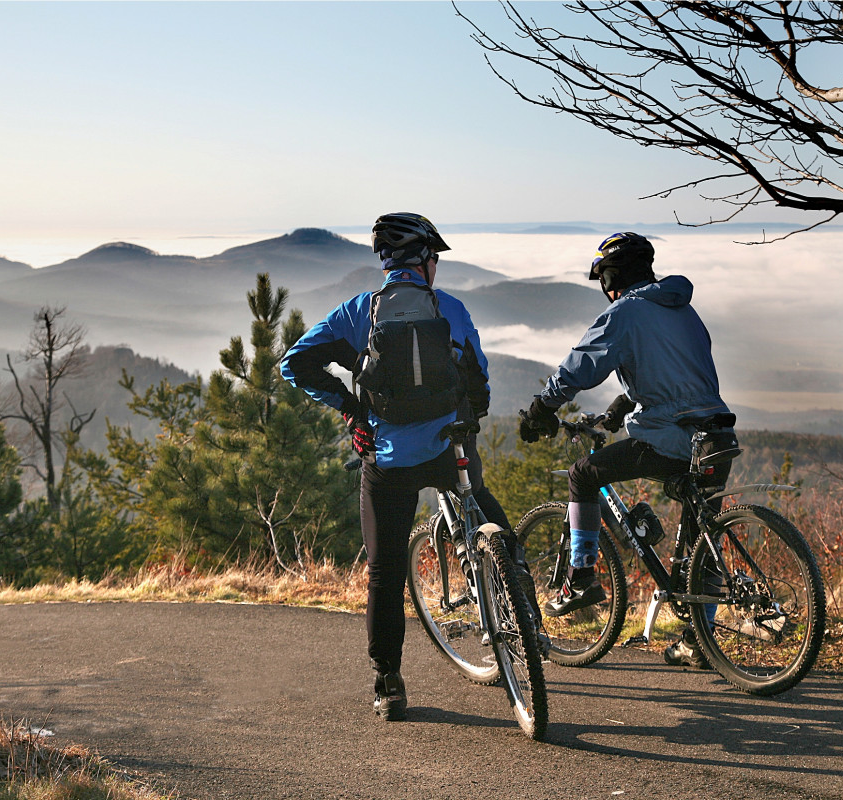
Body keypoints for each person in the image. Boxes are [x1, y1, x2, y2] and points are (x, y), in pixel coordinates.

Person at [281, 212, 523, 721]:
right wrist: (466, 421)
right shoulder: (451, 309)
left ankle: (388, 682)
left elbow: (294, 363)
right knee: (485, 512)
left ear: (388, 264)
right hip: (445, 452)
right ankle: (523, 607)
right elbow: (478, 378)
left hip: (387, 460)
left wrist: (351, 409)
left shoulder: (357, 313)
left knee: (385, 573)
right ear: (426, 261)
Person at [518, 231, 736, 668]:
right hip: (716, 435)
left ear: (611, 277)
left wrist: (542, 407)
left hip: (671, 438)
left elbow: (581, 365)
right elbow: (674, 373)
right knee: (699, 542)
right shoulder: (681, 308)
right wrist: (621, 407)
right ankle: (700, 642)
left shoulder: (625, 311)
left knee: (583, 474)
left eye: (604, 278)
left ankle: (581, 578)